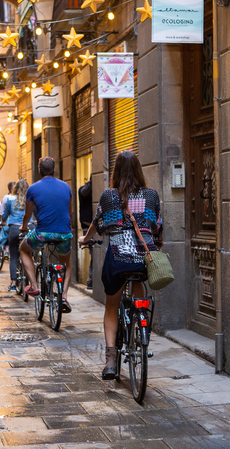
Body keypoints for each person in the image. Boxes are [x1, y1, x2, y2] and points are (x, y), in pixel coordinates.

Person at [79, 151, 162, 380]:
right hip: (143, 260)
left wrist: (85, 239)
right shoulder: (151, 196)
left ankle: (111, 360)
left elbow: (98, 224)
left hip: (117, 259)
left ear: (115, 171)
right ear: (139, 169)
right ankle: (140, 321)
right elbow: (157, 225)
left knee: (111, 306)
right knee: (138, 293)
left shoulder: (109, 196)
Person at [20, 157, 74, 312]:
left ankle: (34, 286)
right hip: (64, 234)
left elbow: (28, 214)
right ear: (54, 170)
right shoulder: (66, 187)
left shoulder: (33, 189)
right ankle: (63, 296)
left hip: (42, 234)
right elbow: (69, 213)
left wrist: (24, 228)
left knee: (23, 249)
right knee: (66, 263)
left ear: (39, 171)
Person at [1, 178, 28, 292]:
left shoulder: (10, 200)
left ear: (15, 189)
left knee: (13, 256)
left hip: (14, 229)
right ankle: (32, 280)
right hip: (28, 228)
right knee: (29, 254)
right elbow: (36, 213)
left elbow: (5, 215)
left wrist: (3, 222)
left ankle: (13, 283)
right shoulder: (30, 200)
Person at [77, 179, 93, 288]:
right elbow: (84, 192)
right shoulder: (82, 190)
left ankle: (91, 279)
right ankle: (91, 280)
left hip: (87, 224)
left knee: (93, 253)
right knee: (93, 253)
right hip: (88, 224)